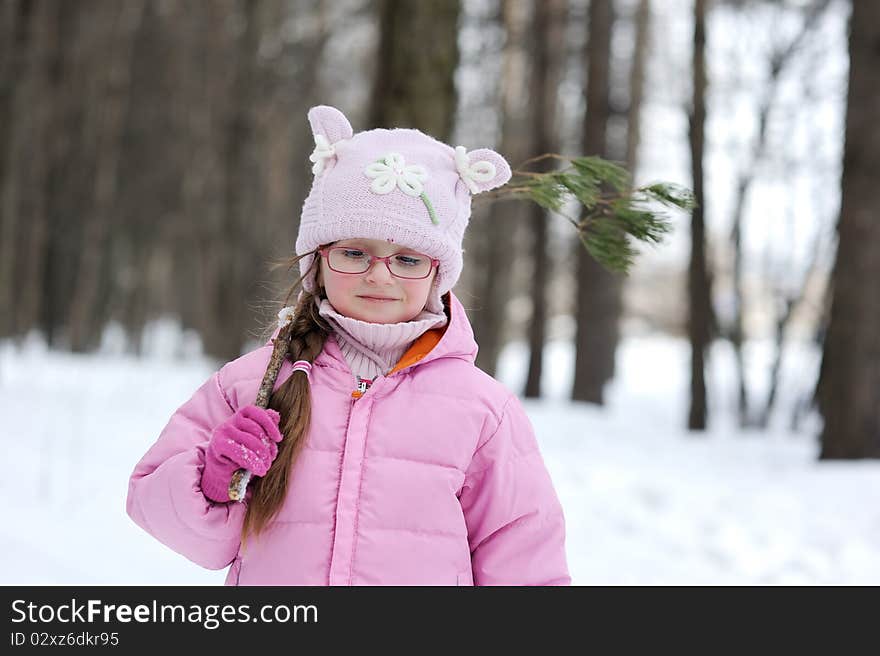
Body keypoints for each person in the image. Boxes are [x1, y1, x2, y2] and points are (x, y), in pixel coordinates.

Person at [126, 105, 571, 586]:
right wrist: (212, 482)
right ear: (318, 260)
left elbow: (526, 566)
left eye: (407, 258)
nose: (379, 274)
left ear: (438, 276)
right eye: (354, 252)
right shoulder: (253, 383)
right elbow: (166, 514)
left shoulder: (483, 411)